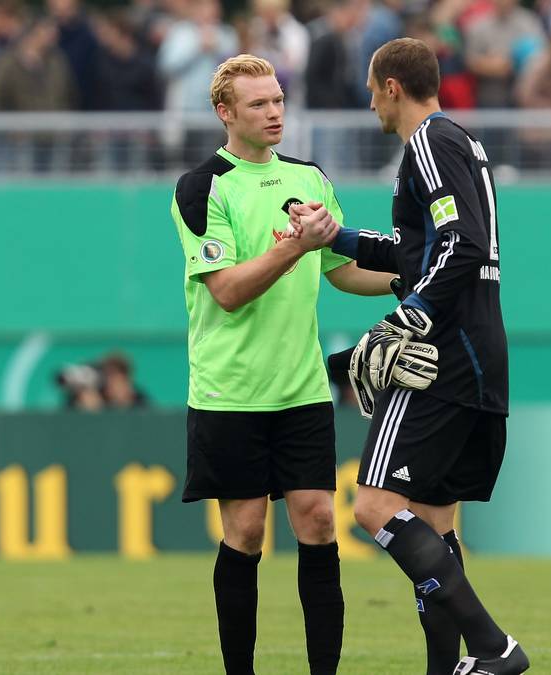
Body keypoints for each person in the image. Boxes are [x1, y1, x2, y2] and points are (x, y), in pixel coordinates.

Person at [296, 37, 526, 675]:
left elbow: (463, 245)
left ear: (391, 87)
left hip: (445, 354)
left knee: (372, 505)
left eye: (372, 90)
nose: (369, 103)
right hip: (477, 349)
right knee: (432, 519)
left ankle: (493, 647)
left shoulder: (427, 143)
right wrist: (335, 237)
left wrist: (409, 316)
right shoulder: (455, 141)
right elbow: (416, 250)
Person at [170, 54, 395, 675]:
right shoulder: (201, 187)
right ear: (226, 113)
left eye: (278, 101)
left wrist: (414, 278)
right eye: (259, 105)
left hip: (302, 388)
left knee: (320, 520)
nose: (274, 114)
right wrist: (298, 243)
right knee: (244, 533)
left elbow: (343, 271)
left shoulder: (311, 178)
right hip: (231, 392)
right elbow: (228, 291)